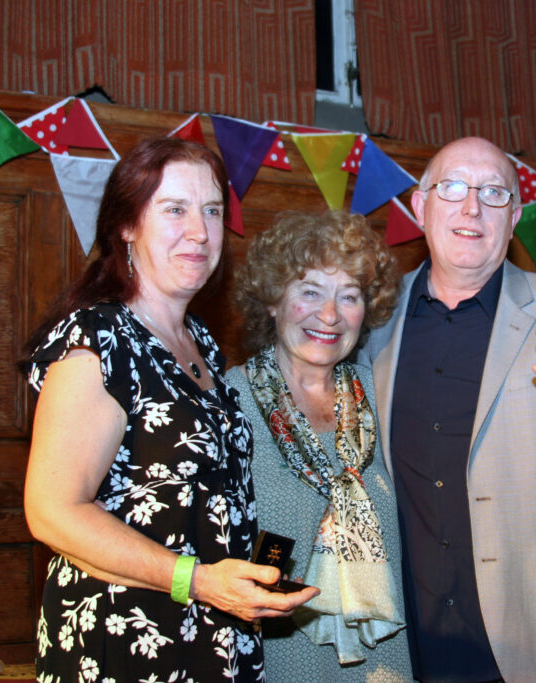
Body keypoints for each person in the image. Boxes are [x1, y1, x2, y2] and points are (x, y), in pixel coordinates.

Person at [22, 137, 319, 682]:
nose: (200, 231)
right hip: (126, 640)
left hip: (213, 637)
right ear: (127, 226)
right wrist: (198, 581)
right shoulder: (98, 338)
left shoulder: (200, 342)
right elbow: (52, 511)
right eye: (174, 209)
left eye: (211, 211)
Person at [360, 136, 536, 683]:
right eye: (453, 188)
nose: (472, 207)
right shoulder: (374, 319)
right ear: (420, 206)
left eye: (494, 193)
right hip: (410, 646)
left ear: (514, 217)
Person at [225, 210, 413, 682]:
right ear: (271, 301)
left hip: (387, 660)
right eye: (309, 292)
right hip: (275, 658)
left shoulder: (385, 395)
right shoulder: (227, 404)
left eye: (348, 297)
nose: (329, 316)